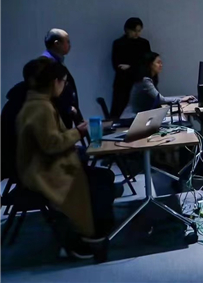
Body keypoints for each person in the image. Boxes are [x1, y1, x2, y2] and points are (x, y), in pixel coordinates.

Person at [16, 58, 117, 259]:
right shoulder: (41, 107)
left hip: (43, 165)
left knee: (103, 177)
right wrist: (78, 132)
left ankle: (93, 231)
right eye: (63, 81)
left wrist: (75, 135)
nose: (64, 86)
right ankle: (87, 236)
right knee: (100, 182)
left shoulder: (36, 103)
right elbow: (52, 144)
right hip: (44, 171)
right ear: (55, 82)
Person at [120, 52, 194, 119]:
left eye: (161, 63)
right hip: (131, 118)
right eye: (158, 62)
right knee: (177, 119)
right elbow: (160, 99)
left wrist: (182, 97)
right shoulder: (145, 81)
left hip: (139, 117)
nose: (161, 65)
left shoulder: (150, 79)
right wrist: (181, 98)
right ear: (150, 64)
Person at [110, 17, 151, 119]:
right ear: (127, 30)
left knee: (142, 113)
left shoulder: (144, 43)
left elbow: (147, 63)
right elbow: (117, 65)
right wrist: (135, 66)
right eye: (134, 31)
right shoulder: (119, 43)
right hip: (123, 83)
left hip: (139, 81)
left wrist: (130, 67)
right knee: (119, 111)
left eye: (139, 31)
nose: (137, 33)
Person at [42, 29, 83, 130]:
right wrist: (67, 107)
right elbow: (50, 91)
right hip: (57, 115)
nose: (70, 45)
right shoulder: (47, 64)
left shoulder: (55, 62)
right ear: (57, 43)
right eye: (67, 41)